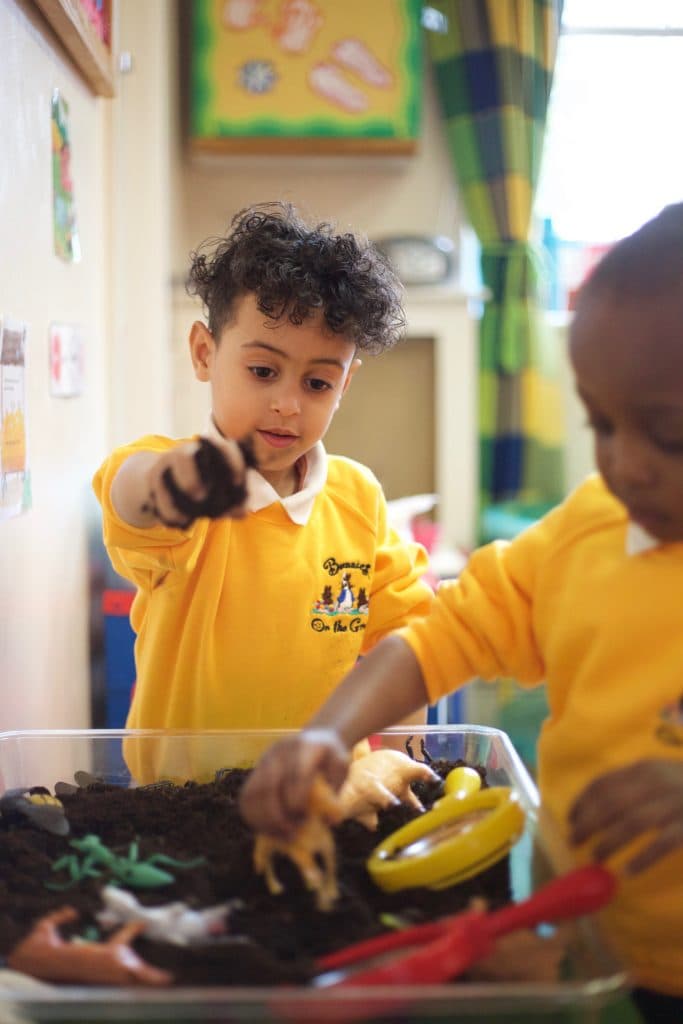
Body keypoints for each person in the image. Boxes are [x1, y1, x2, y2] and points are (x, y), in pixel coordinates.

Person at [239, 203, 683, 1023]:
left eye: (667, 436)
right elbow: (440, 636)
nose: (623, 464)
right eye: (601, 424)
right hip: (581, 931)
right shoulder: (586, 532)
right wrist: (325, 733)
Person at [93, 202, 433, 778]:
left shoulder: (356, 496)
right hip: (184, 800)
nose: (287, 403)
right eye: (262, 371)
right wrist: (168, 482)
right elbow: (130, 494)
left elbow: (407, 637)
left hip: (324, 798)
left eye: (318, 382)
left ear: (345, 383)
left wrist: (405, 768)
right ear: (205, 352)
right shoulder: (178, 482)